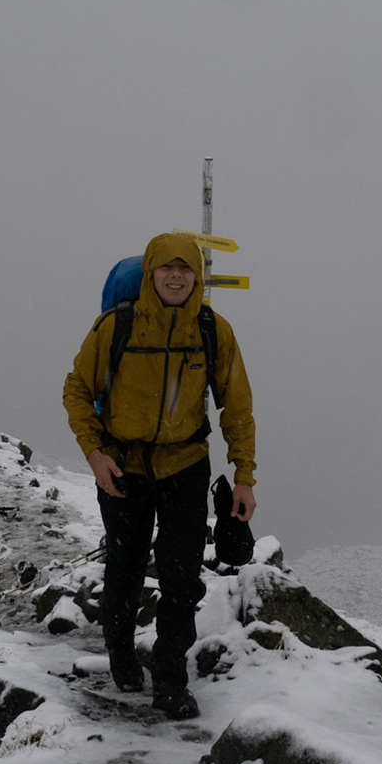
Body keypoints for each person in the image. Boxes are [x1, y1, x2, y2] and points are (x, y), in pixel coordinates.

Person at [62, 232, 256, 720]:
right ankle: (122, 656)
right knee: (125, 570)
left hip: (186, 467)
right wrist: (94, 453)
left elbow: (238, 406)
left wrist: (245, 476)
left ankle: (170, 679)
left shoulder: (213, 330)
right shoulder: (117, 326)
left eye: (186, 268)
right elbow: (77, 390)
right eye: (166, 268)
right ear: (150, 272)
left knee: (180, 577)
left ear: (197, 276)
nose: (176, 276)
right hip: (122, 467)